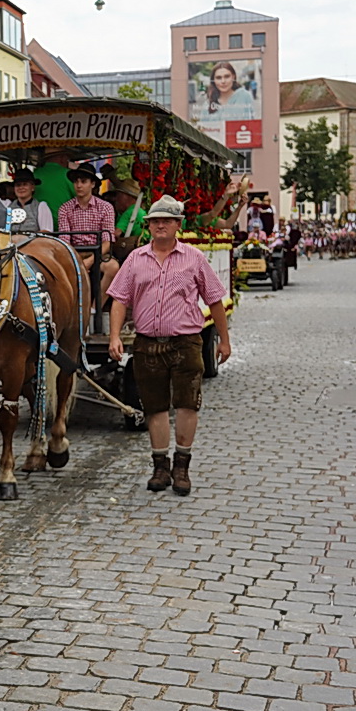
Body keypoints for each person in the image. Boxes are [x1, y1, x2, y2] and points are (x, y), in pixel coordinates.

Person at [106, 195, 231, 495]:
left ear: (177, 225)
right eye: (154, 221)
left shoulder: (194, 258)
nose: (160, 225)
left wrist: (224, 341)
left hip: (186, 342)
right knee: (155, 406)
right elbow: (120, 300)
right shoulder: (136, 259)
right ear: (148, 226)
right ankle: (160, 466)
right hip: (148, 343)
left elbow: (214, 299)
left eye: (166, 220)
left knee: (188, 403)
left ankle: (182, 465)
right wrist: (113, 336)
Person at [57, 164, 113, 330]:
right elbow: (65, 241)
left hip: (98, 253)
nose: (79, 185)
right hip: (74, 253)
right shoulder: (65, 208)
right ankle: (66, 313)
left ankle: (93, 309)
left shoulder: (105, 207)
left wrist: (89, 261)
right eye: (76, 181)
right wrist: (77, 260)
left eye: (83, 181)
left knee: (112, 268)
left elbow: (107, 242)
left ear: (93, 184)